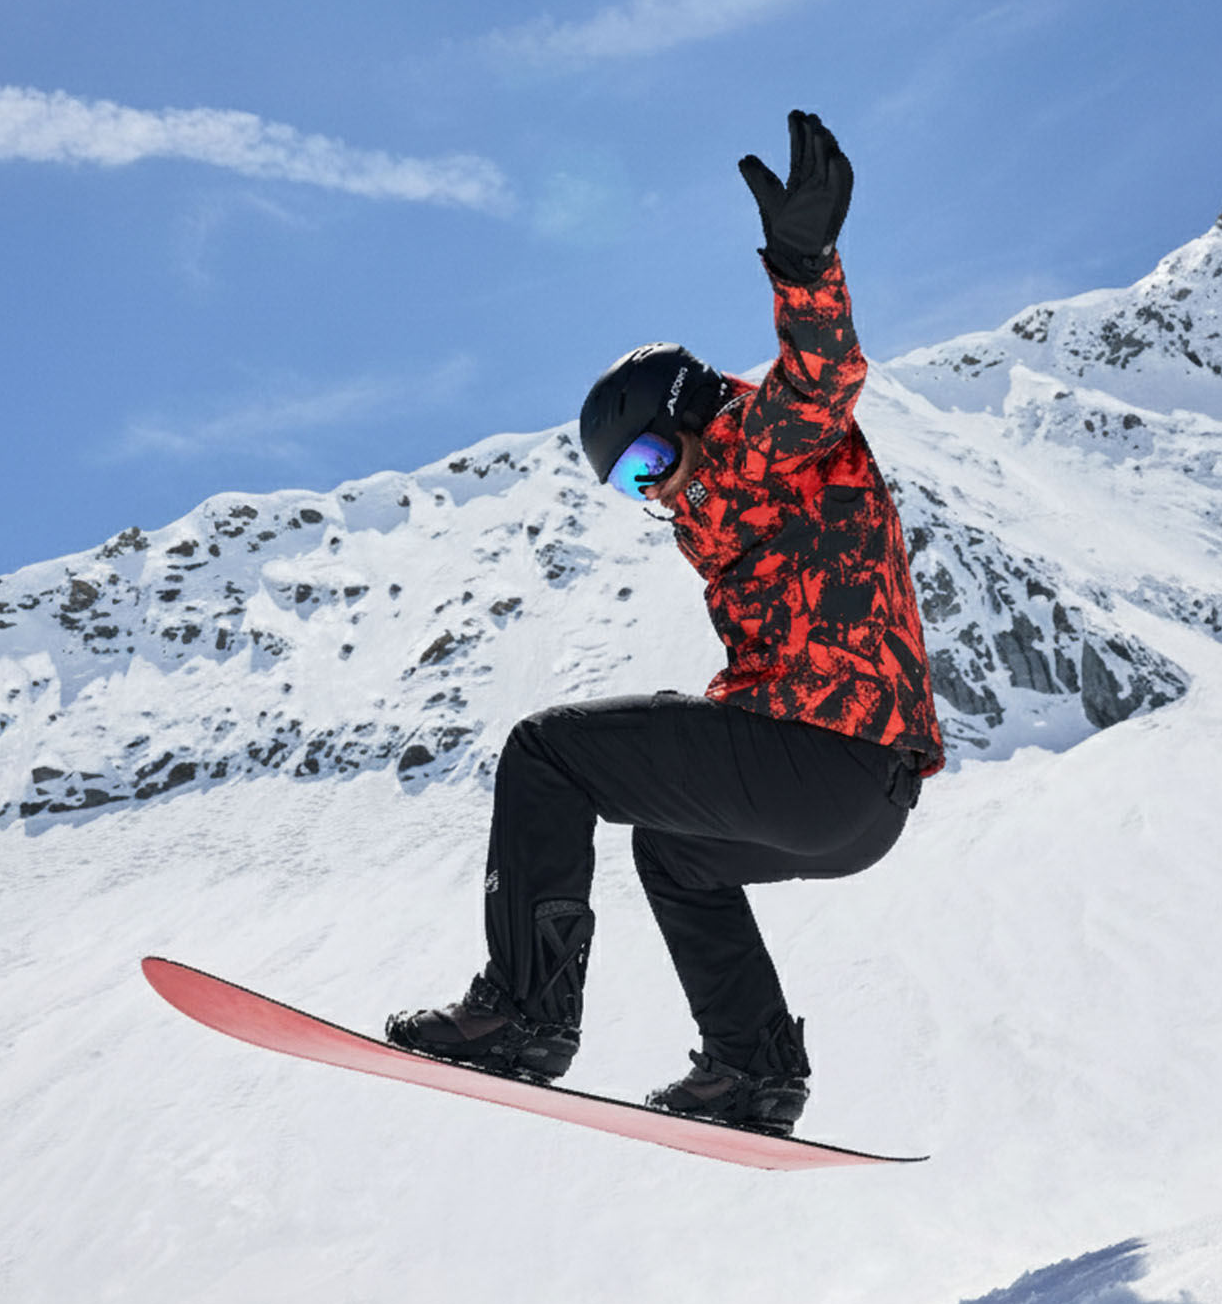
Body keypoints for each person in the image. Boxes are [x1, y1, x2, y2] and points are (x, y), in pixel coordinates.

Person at [386, 111, 943, 1137]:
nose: (656, 496)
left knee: (546, 755)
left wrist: (805, 259)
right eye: (632, 487)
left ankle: (522, 1015)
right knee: (673, 852)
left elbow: (823, 378)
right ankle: (752, 1070)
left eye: (649, 463)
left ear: (686, 409)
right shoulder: (717, 514)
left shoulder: (763, 442)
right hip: (861, 802)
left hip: (833, 757)